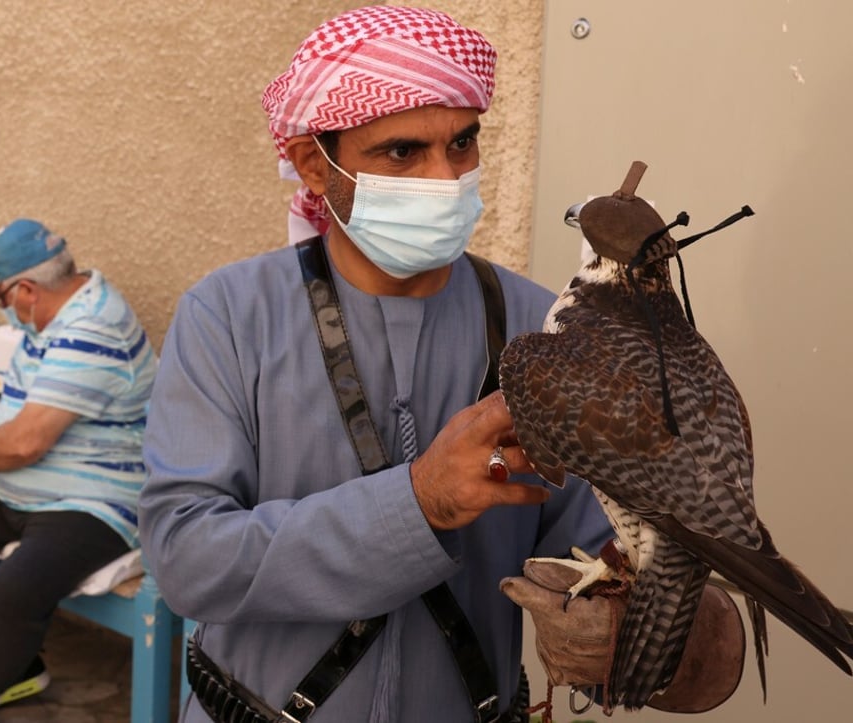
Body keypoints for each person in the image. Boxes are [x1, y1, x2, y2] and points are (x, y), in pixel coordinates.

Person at [139, 7, 741, 723]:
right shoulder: (229, 314)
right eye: (402, 153)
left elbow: (619, 542)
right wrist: (416, 504)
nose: (445, 177)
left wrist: (660, 630)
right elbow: (185, 557)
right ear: (312, 163)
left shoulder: (542, 329)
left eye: (462, 143)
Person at [0, 218, 158, 723]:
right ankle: (18, 666)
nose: (3, 309)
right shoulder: (53, 315)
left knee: (14, 587)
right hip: (24, 487)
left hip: (95, 496)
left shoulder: (92, 328)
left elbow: (26, 442)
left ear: (26, 289)